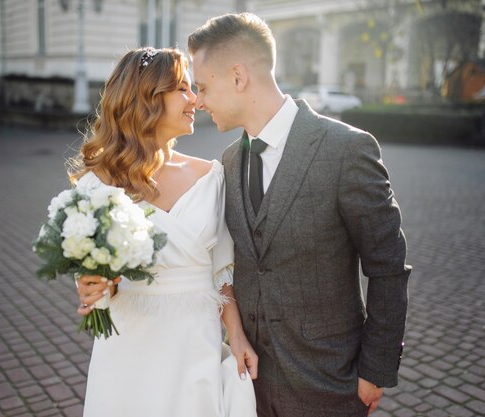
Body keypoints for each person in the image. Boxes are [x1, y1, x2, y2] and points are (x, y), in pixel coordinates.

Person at [187, 13, 411, 417]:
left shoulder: (346, 150)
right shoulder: (229, 162)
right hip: (251, 388)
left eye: (202, 87)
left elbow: (388, 268)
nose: (197, 101)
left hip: (331, 384)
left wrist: (375, 370)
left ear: (238, 76)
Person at [71, 47, 258, 417]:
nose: (195, 99)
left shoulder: (211, 175)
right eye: (183, 89)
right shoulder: (97, 184)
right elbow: (92, 271)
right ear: (147, 97)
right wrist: (92, 284)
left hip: (195, 342)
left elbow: (223, 272)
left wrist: (236, 337)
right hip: (128, 344)